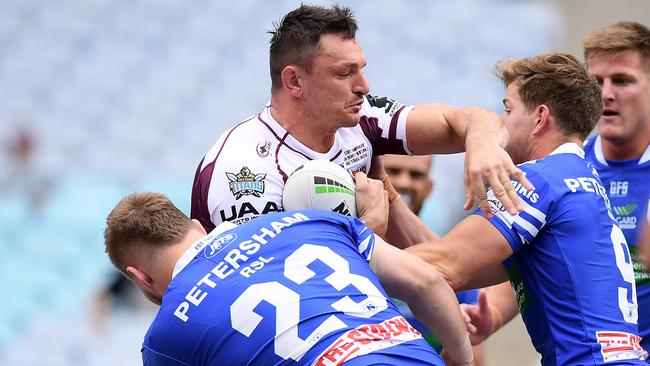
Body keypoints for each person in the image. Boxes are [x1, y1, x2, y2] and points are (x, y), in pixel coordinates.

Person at [191, 4, 532, 245]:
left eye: (362, 68)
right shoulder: (244, 170)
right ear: (294, 81)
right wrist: (371, 227)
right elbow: (280, 293)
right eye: (345, 73)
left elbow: (463, 118)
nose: (364, 87)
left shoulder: (360, 117)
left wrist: (483, 141)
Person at [407, 52, 647, 364]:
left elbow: (444, 264)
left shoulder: (540, 180)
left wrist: (340, 248)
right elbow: (461, 266)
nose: (501, 121)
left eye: (507, 108)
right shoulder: (582, 178)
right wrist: (392, 199)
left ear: (540, 117)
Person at [103, 191, 474, 365]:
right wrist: (460, 359)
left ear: (139, 277)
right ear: (197, 227)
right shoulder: (310, 220)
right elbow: (425, 281)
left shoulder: (167, 336)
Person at [582, 21, 650, 355]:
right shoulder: (563, 168)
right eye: (596, 82)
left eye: (622, 80)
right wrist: (489, 315)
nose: (606, 94)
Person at [383, 154, 485, 365]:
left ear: (429, 188)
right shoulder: (346, 252)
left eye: (416, 175)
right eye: (393, 171)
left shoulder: (453, 266)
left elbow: (475, 360)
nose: (404, 182)